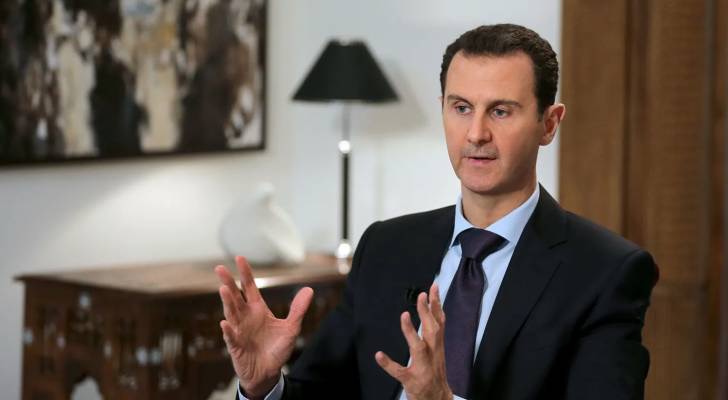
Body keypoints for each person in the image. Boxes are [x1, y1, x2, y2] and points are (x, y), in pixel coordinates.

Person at [215, 23, 658, 400]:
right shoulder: (386, 247)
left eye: (501, 111)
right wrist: (264, 385)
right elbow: (323, 392)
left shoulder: (604, 272)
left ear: (549, 123)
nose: (476, 133)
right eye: (461, 108)